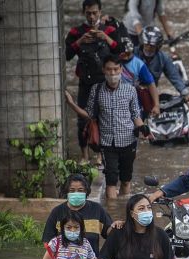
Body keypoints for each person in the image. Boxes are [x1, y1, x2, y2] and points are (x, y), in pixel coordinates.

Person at [65, 56, 150, 199]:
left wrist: (143, 128)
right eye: (109, 70)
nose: (112, 73)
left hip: (129, 141)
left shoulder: (130, 90)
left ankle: (123, 211)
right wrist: (71, 104)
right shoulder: (97, 90)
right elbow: (89, 114)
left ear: (121, 70)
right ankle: (112, 213)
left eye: (116, 69)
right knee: (111, 181)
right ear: (104, 70)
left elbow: (136, 115)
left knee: (125, 180)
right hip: (107, 143)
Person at [64, 0, 125, 165]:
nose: (92, 16)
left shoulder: (110, 30)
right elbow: (66, 55)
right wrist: (80, 41)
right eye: (88, 13)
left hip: (104, 82)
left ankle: (100, 155)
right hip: (85, 81)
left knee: (102, 118)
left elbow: (120, 51)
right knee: (82, 119)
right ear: (84, 13)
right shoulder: (76, 32)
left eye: (94, 13)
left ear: (100, 12)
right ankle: (84, 155)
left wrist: (105, 37)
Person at [136, 26, 189, 103]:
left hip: (150, 93)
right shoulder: (133, 55)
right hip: (132, 92)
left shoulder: (163, 58)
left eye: (152, 46)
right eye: (147, 45)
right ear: (142, 43)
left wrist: (186, 93)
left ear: (158, 46)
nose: (149, 48)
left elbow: (174, 76)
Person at [118, 36, 160, 117]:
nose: (126, 57)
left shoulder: (138, 64)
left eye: (128, 54)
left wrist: (156, 105)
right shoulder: (113, 61)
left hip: (133, 100)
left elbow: (151, 84)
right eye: (124, 54)